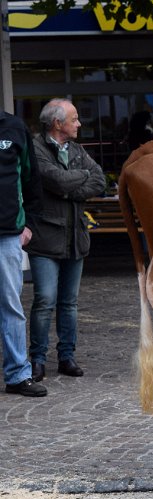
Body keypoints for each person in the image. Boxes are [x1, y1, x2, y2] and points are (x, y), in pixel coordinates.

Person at [26, 98, 107, 381]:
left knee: (69, 303)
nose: (79, 124)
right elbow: (54, 180)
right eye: (74, 119)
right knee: (45, 300)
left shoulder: (76, 150)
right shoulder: (36, 149)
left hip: (75, 237)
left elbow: (99, 180)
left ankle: (66, 357)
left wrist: (70, 185)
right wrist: (75, 181)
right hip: (46, 238)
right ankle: (37, 359)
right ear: (58, 123)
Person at [1, 110, 46, 396]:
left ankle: (18, 374)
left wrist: (29, 223)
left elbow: (32, 178)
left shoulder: (14, 127)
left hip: (7, 235)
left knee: (11, 307)